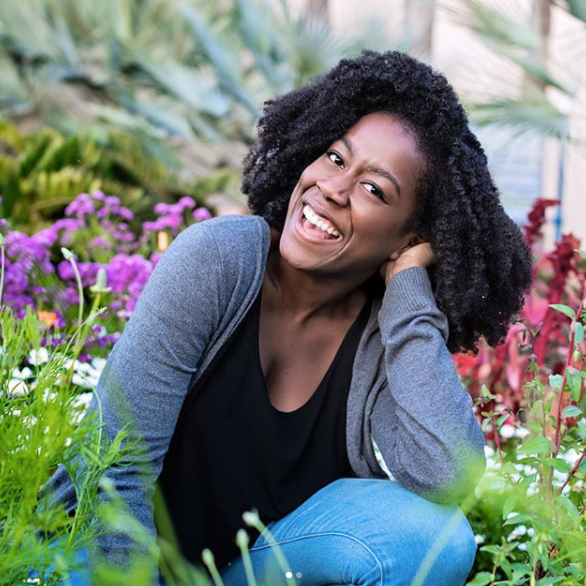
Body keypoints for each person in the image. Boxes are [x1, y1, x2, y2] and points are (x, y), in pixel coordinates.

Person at [44, 50, 533, 586]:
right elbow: (113, 470)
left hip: (234, 574)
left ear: (411, 239)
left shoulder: (382, 339)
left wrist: (409, 292)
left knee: (434, 535)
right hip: (94, 557)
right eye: (335, 158)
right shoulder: (217, 262)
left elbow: (448, 473)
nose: (332, 188)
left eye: (375, 190)